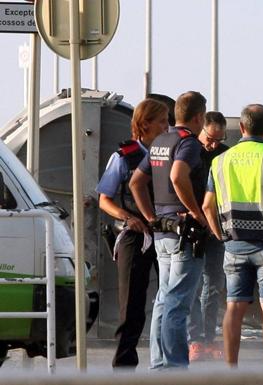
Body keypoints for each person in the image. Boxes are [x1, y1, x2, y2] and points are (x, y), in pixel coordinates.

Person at [202, 104, 263, 367]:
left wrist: (220, 235)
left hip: (234, 245)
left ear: (243, 128)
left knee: (234, 307)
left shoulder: (220, 161)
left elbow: (206, 206)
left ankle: (232, 369)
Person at [129, 91, 209, 369]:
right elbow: (178, 175)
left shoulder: (160, 141)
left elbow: (136, 182)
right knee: (178, 302)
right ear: (199, 117)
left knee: (163, 299)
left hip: (162, 232)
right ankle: (175, 366)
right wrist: (197, 214)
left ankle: (159, 363)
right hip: (184, 234)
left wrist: (151, 216)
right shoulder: (188, 143)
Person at [95, 98, 169, 368]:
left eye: (168, 120)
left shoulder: (168, 153)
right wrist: (128, 217)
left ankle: (166, 362)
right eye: (162, 121)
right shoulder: (123, 156)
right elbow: (105, 199)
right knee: (132, 306)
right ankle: (124, 366)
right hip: (134, 236)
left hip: (165, 234)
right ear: (145, 124)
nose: (167, 126)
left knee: (170, 299)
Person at [187, 112, 229, 361]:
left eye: (218, 140)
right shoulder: (189, 149)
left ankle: (209, 337)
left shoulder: (225, 153)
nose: (213, 144)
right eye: (210, 139)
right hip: (193, 225)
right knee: (193, 284)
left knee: (214, 284)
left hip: (216, 227)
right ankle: (195, 339)